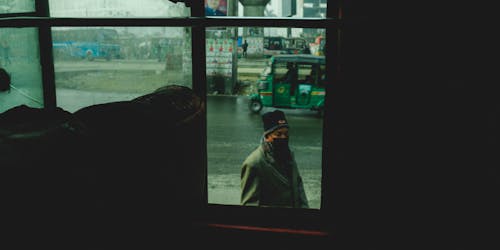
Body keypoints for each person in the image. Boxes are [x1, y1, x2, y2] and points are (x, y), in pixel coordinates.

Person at [240, 110, 309, 208]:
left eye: (286, 134)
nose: (283, 137)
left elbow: (298, 185)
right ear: (267, 136)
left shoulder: (289, 155)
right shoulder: (254, 163)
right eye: (278, 134)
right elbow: (249, 204)